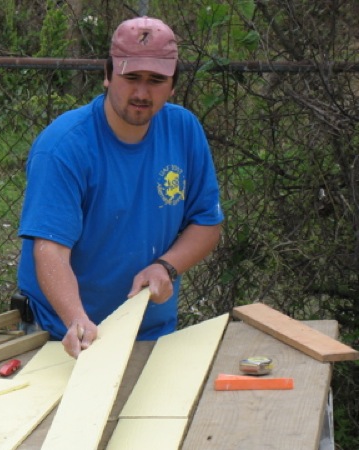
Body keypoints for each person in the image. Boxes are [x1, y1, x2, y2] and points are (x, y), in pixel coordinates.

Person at [17, 16, 224, 358]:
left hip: (151, 334)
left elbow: (207, 222)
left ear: (172, 85)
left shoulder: (184, 130)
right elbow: (50, 250)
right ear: (108, 75)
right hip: (61, 339)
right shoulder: (64, 146)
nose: (142, 93)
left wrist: (166, 266)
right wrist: (77, 321)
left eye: (156, 80)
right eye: (131, 78)